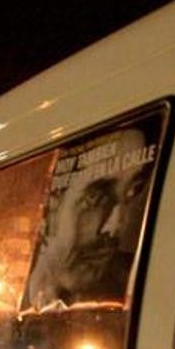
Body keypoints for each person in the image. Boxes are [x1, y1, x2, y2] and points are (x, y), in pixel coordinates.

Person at [24, 127, 155, 311]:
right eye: (95, 198)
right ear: (53, 210)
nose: (115, 225)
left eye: (133, 191)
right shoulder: (9, 301)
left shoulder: (148, 282)